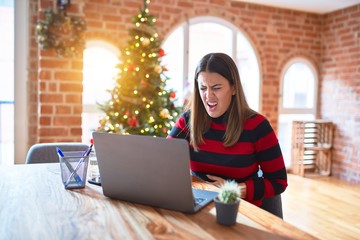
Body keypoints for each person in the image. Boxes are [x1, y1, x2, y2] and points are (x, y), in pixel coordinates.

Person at [167, 52, 287, 210]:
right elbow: (165, 163)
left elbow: (278, 182)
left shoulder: (258, 126)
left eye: (216, 88)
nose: (208, 95)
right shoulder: (187, 121)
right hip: (200, 206)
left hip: (243, 209)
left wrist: (233, 190)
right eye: (203, 88)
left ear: (234, 88)